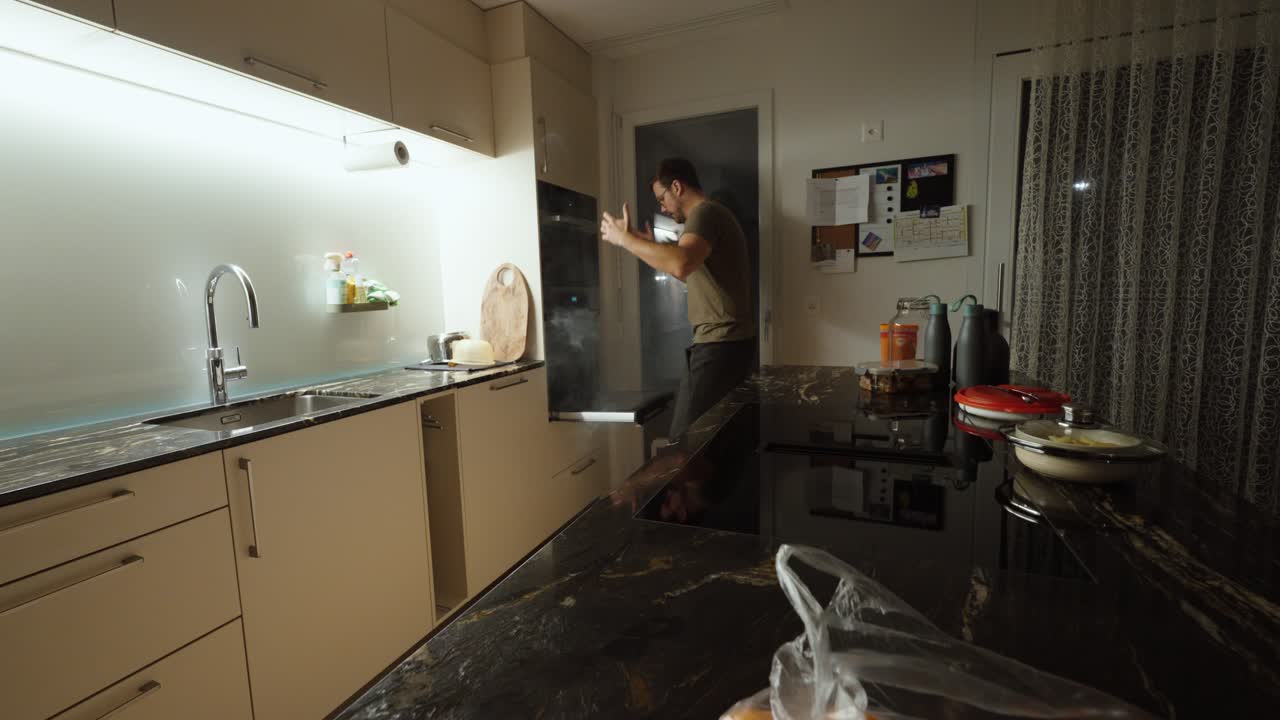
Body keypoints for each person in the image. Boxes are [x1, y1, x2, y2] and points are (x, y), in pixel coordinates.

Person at [600, 157, 755, 440]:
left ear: (676, 187)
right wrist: (644, 244)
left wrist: (624, 240)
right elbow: (688, 272)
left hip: (719, 344)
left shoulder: (705, 214)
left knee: (684, 444)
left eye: (662, 199)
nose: (662, 207)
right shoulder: (713, 216)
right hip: (730, 344)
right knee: (713, 441)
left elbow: (681, 263)